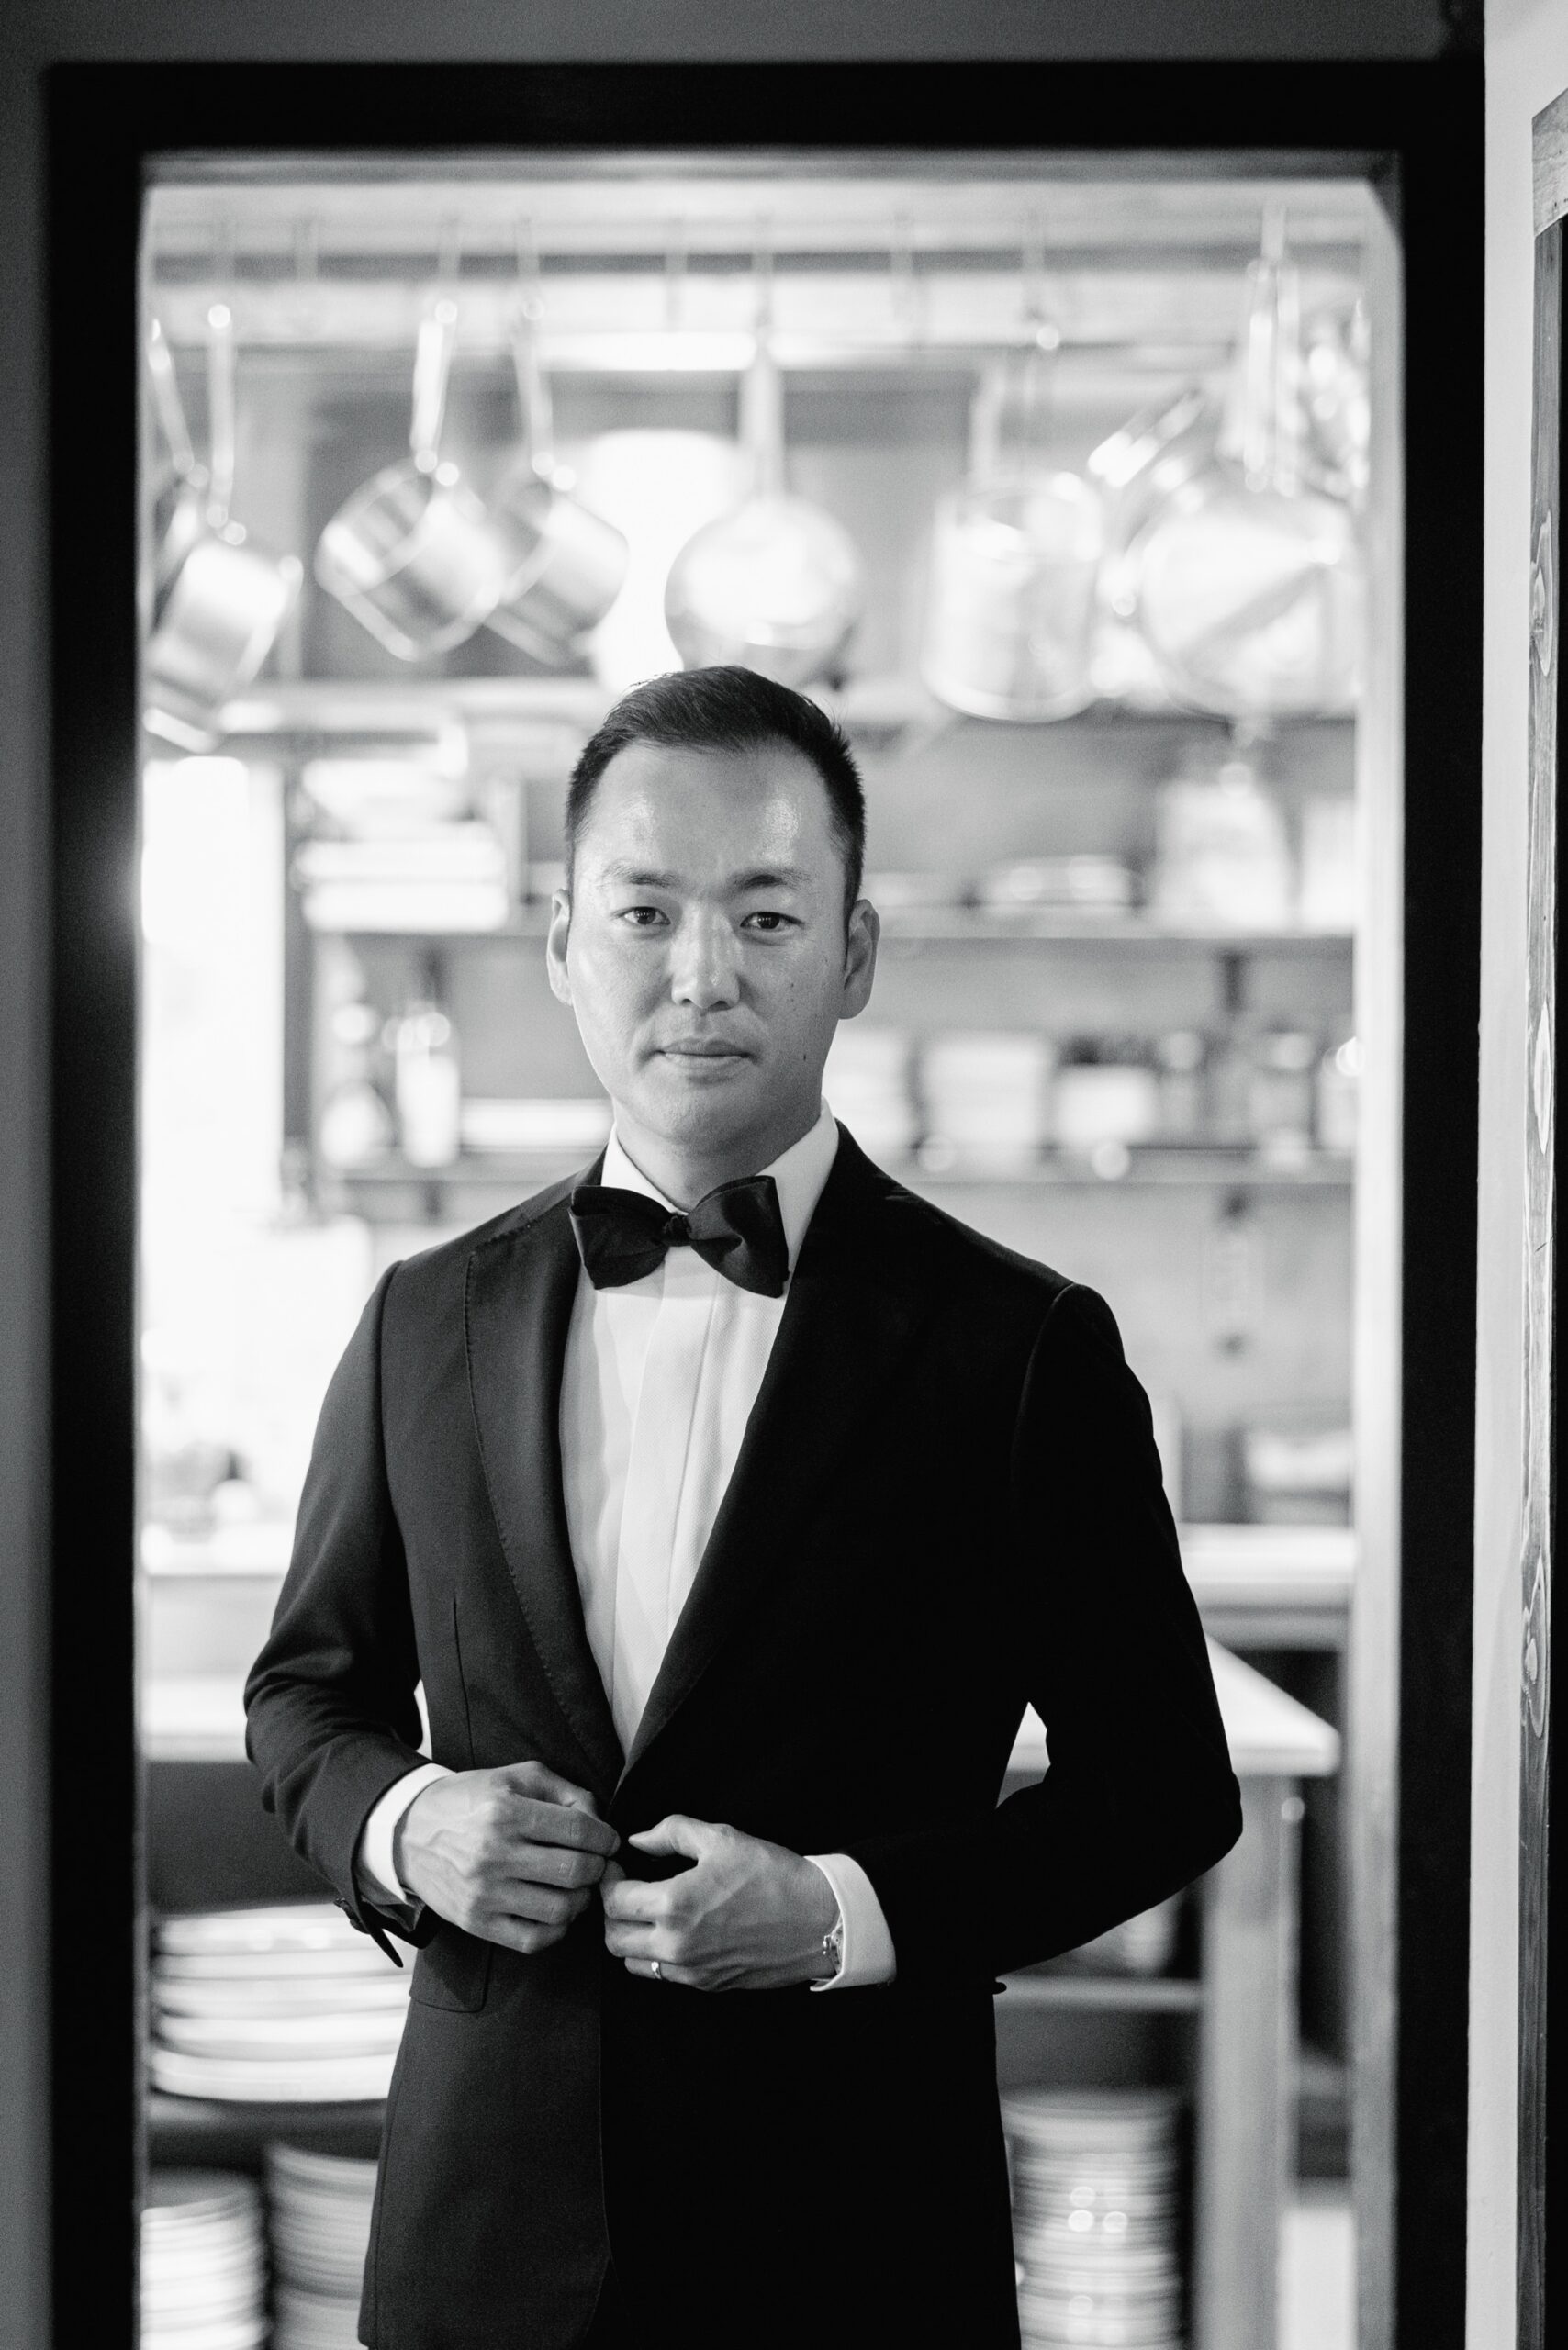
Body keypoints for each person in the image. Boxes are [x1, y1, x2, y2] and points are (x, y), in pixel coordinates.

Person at [245, 665, 1241, 2350]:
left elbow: (1162, 1793)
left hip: (850, 2237)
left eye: (765, 916)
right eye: (645, 911)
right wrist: (410, 1824)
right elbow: (305, 1696)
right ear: (565, 943)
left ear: (854, 954)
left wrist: (844, 1915)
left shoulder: (1021, 1348)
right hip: (486, 2237)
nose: (700, 973)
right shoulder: (425, 1319)